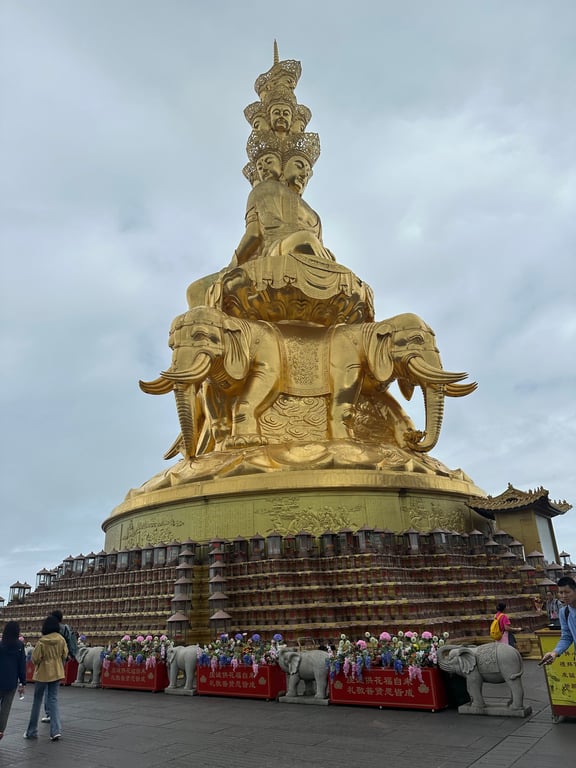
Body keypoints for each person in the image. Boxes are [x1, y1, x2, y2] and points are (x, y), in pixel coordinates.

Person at [24, 614, 67, 742]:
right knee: (53, 700)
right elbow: (65, 654)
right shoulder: (61, 639)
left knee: (37, 701)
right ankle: (55, 731)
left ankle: (31, 731)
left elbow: (35, 658)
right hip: (57, 672)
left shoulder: (42, 642)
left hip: (42, 673)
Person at [41, 609, 77, 724]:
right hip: (60, 661)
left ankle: (49, 713)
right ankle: (53, 715)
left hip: (47, 663)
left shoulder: (48, 630)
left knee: (47, 688)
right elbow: (67, 648)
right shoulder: (65, 630)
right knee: (54, 690)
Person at [539, 576, 576, 666]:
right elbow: (566, 637)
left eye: (567, 592)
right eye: (561, 592)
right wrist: (555, 653)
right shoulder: (564, 612)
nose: (564, 596)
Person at [0, 621, 26, 740]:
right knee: (6, 708)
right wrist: (22, 682)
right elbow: (22, 665)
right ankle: (0, 731)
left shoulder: (0, 645)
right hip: (11, 681)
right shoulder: (20, 646)